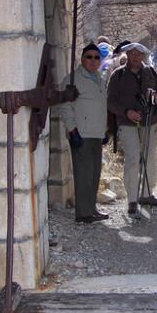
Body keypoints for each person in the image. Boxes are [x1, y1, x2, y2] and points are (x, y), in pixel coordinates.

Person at [107, 42, 157, 216]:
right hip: (126, 123)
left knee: (150, 158)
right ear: (127, 55)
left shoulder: (150, 72)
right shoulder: (117, 75)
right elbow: (110, 102)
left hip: (150, 121)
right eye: (132, 53)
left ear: (143, 56)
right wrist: (127, 112)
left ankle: (147, 194)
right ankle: (132, 199)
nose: (135, 57)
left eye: (138, 53)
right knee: (132, 160)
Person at [59, 43, 109, 223]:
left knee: (94, 174)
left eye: (97, 57)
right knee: (83, 175)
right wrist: (72, 130)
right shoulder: (72, 80)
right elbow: (65, 106)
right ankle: (83, 213)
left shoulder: (100, 79)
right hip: (81, 133)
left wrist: (105, 129)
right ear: (82, 59)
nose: (93, 60)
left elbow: (101, 106)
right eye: (89, 57)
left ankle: (91, 208)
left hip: (96, 133)